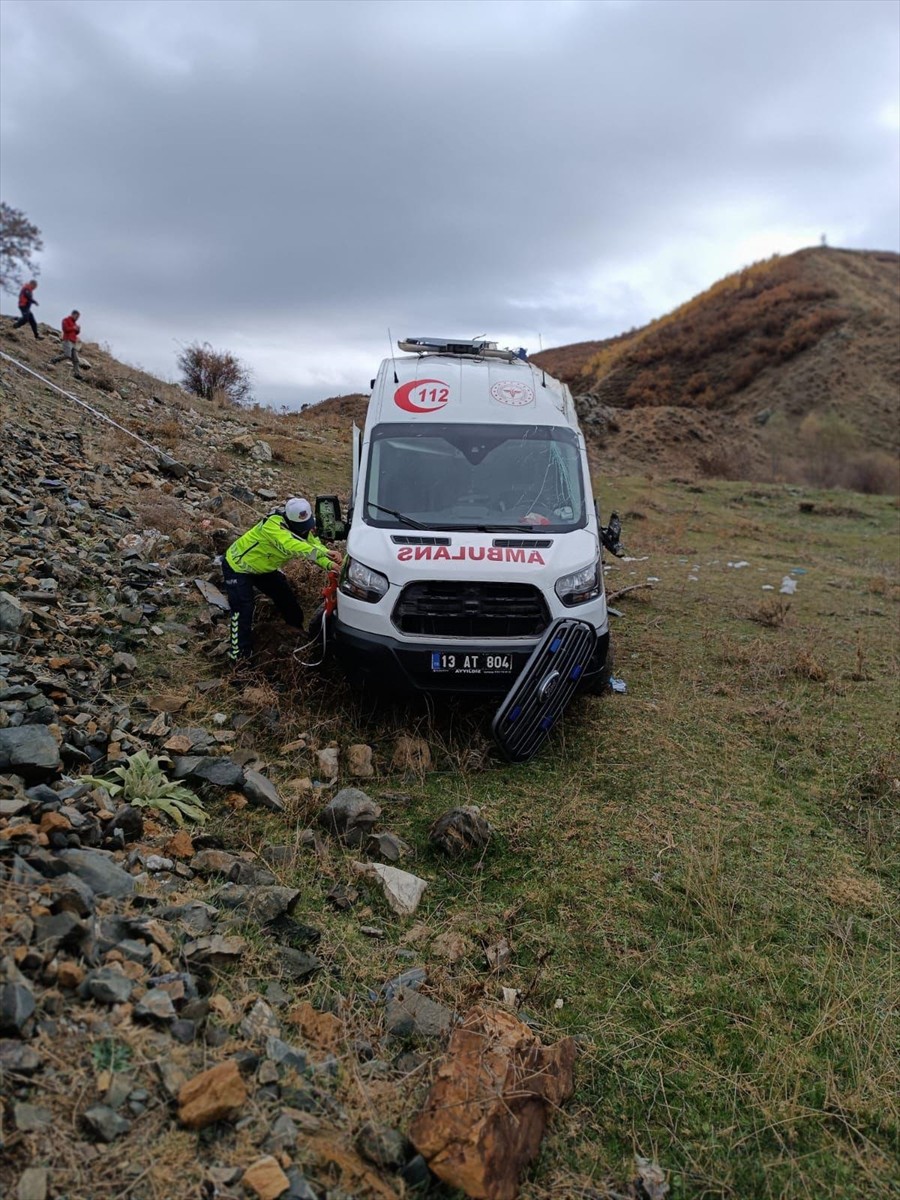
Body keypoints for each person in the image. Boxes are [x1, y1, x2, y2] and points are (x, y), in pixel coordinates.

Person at [222, 497, 342, 666]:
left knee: (288, 601)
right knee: (243, 609)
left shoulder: (304, 529)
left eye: (306, 525)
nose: (304, 531)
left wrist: (330, 564)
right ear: (288, 518)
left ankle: (297, 638)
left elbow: (314, 550)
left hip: (264, 570)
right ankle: (239, 658)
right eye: (301, 527)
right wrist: (326, 552)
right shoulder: (272, 526)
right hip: (238, 567)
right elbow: (291, 545)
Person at [49, 310, 82, 379]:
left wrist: (78, 330)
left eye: (78, 317)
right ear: (73, 314)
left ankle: (77, 374)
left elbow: (75, 333)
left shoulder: (74, 323)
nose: (77, 318)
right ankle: (54, 360)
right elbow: (65, 329)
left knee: (76, 359)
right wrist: (73, 328)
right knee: (67, 355)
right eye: (77, 316)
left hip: (73, 342)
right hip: (67, 340)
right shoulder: (66, 320)